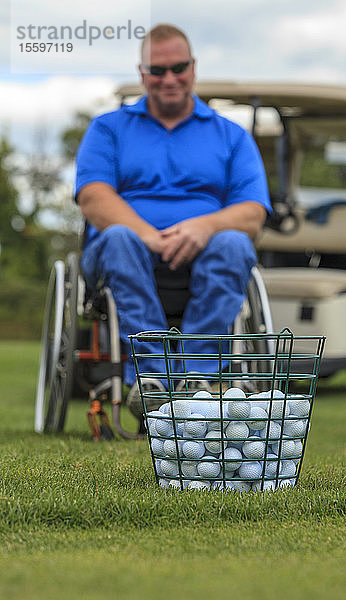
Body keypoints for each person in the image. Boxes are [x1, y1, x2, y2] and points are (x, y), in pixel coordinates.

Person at [75, 23, 271, 421]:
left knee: (235, 243)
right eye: (157, 69)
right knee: (118, 238)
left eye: (177, 67)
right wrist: (146, 234)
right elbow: (94, 197)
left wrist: (205, 227)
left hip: (205, 255)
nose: (169, 78)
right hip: (124, 254)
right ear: (142, 73)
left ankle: (194, 380)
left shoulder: (231, 136)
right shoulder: (108, 129)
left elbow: (252, 211)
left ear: (194, 68)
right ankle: (153, 380)